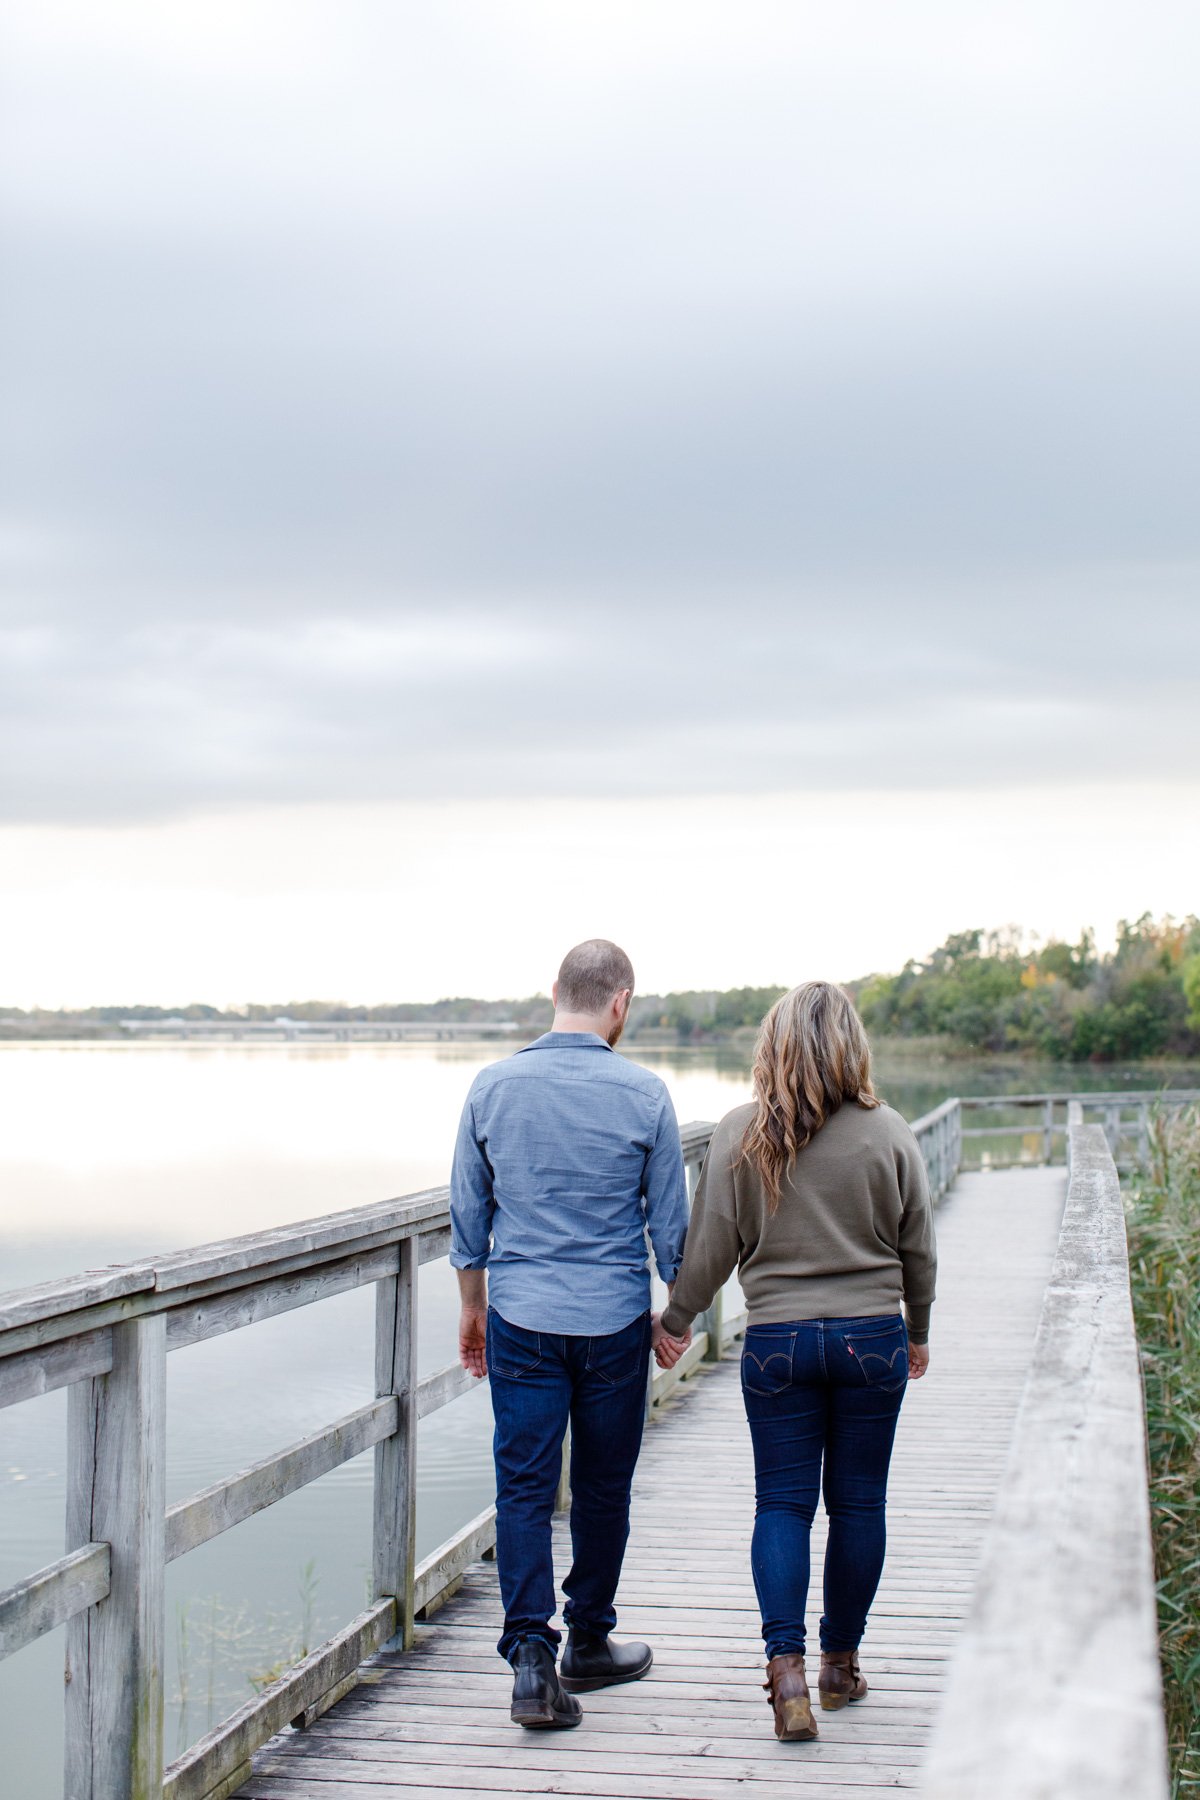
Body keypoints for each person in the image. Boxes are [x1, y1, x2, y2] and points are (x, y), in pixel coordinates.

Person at [660, 980, 936, 1744]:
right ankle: (839, 1666)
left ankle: (784, 1673)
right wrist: (920, 1328)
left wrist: (677, 1319)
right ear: (852, 1044)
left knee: (781, 1505)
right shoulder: (891, 1134)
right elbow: (919, 1246)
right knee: (859, 1506)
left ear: (772, 1044)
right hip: (871, 1341)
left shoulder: (742, 1131)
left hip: (777, 1342)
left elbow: (713, 1244)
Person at [450, 938, 693, 1730]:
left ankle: (529, 1659)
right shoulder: (647, 1094)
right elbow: (672, 1229)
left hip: (520, 1316)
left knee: (523, 1489)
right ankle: (588, 1639)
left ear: (555, 991)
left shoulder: (492, 1087)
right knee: (600, 1485)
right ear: (620, 1002)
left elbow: (468, 1216)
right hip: (614, 1320)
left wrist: (472, 1305)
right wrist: (673, 1316)